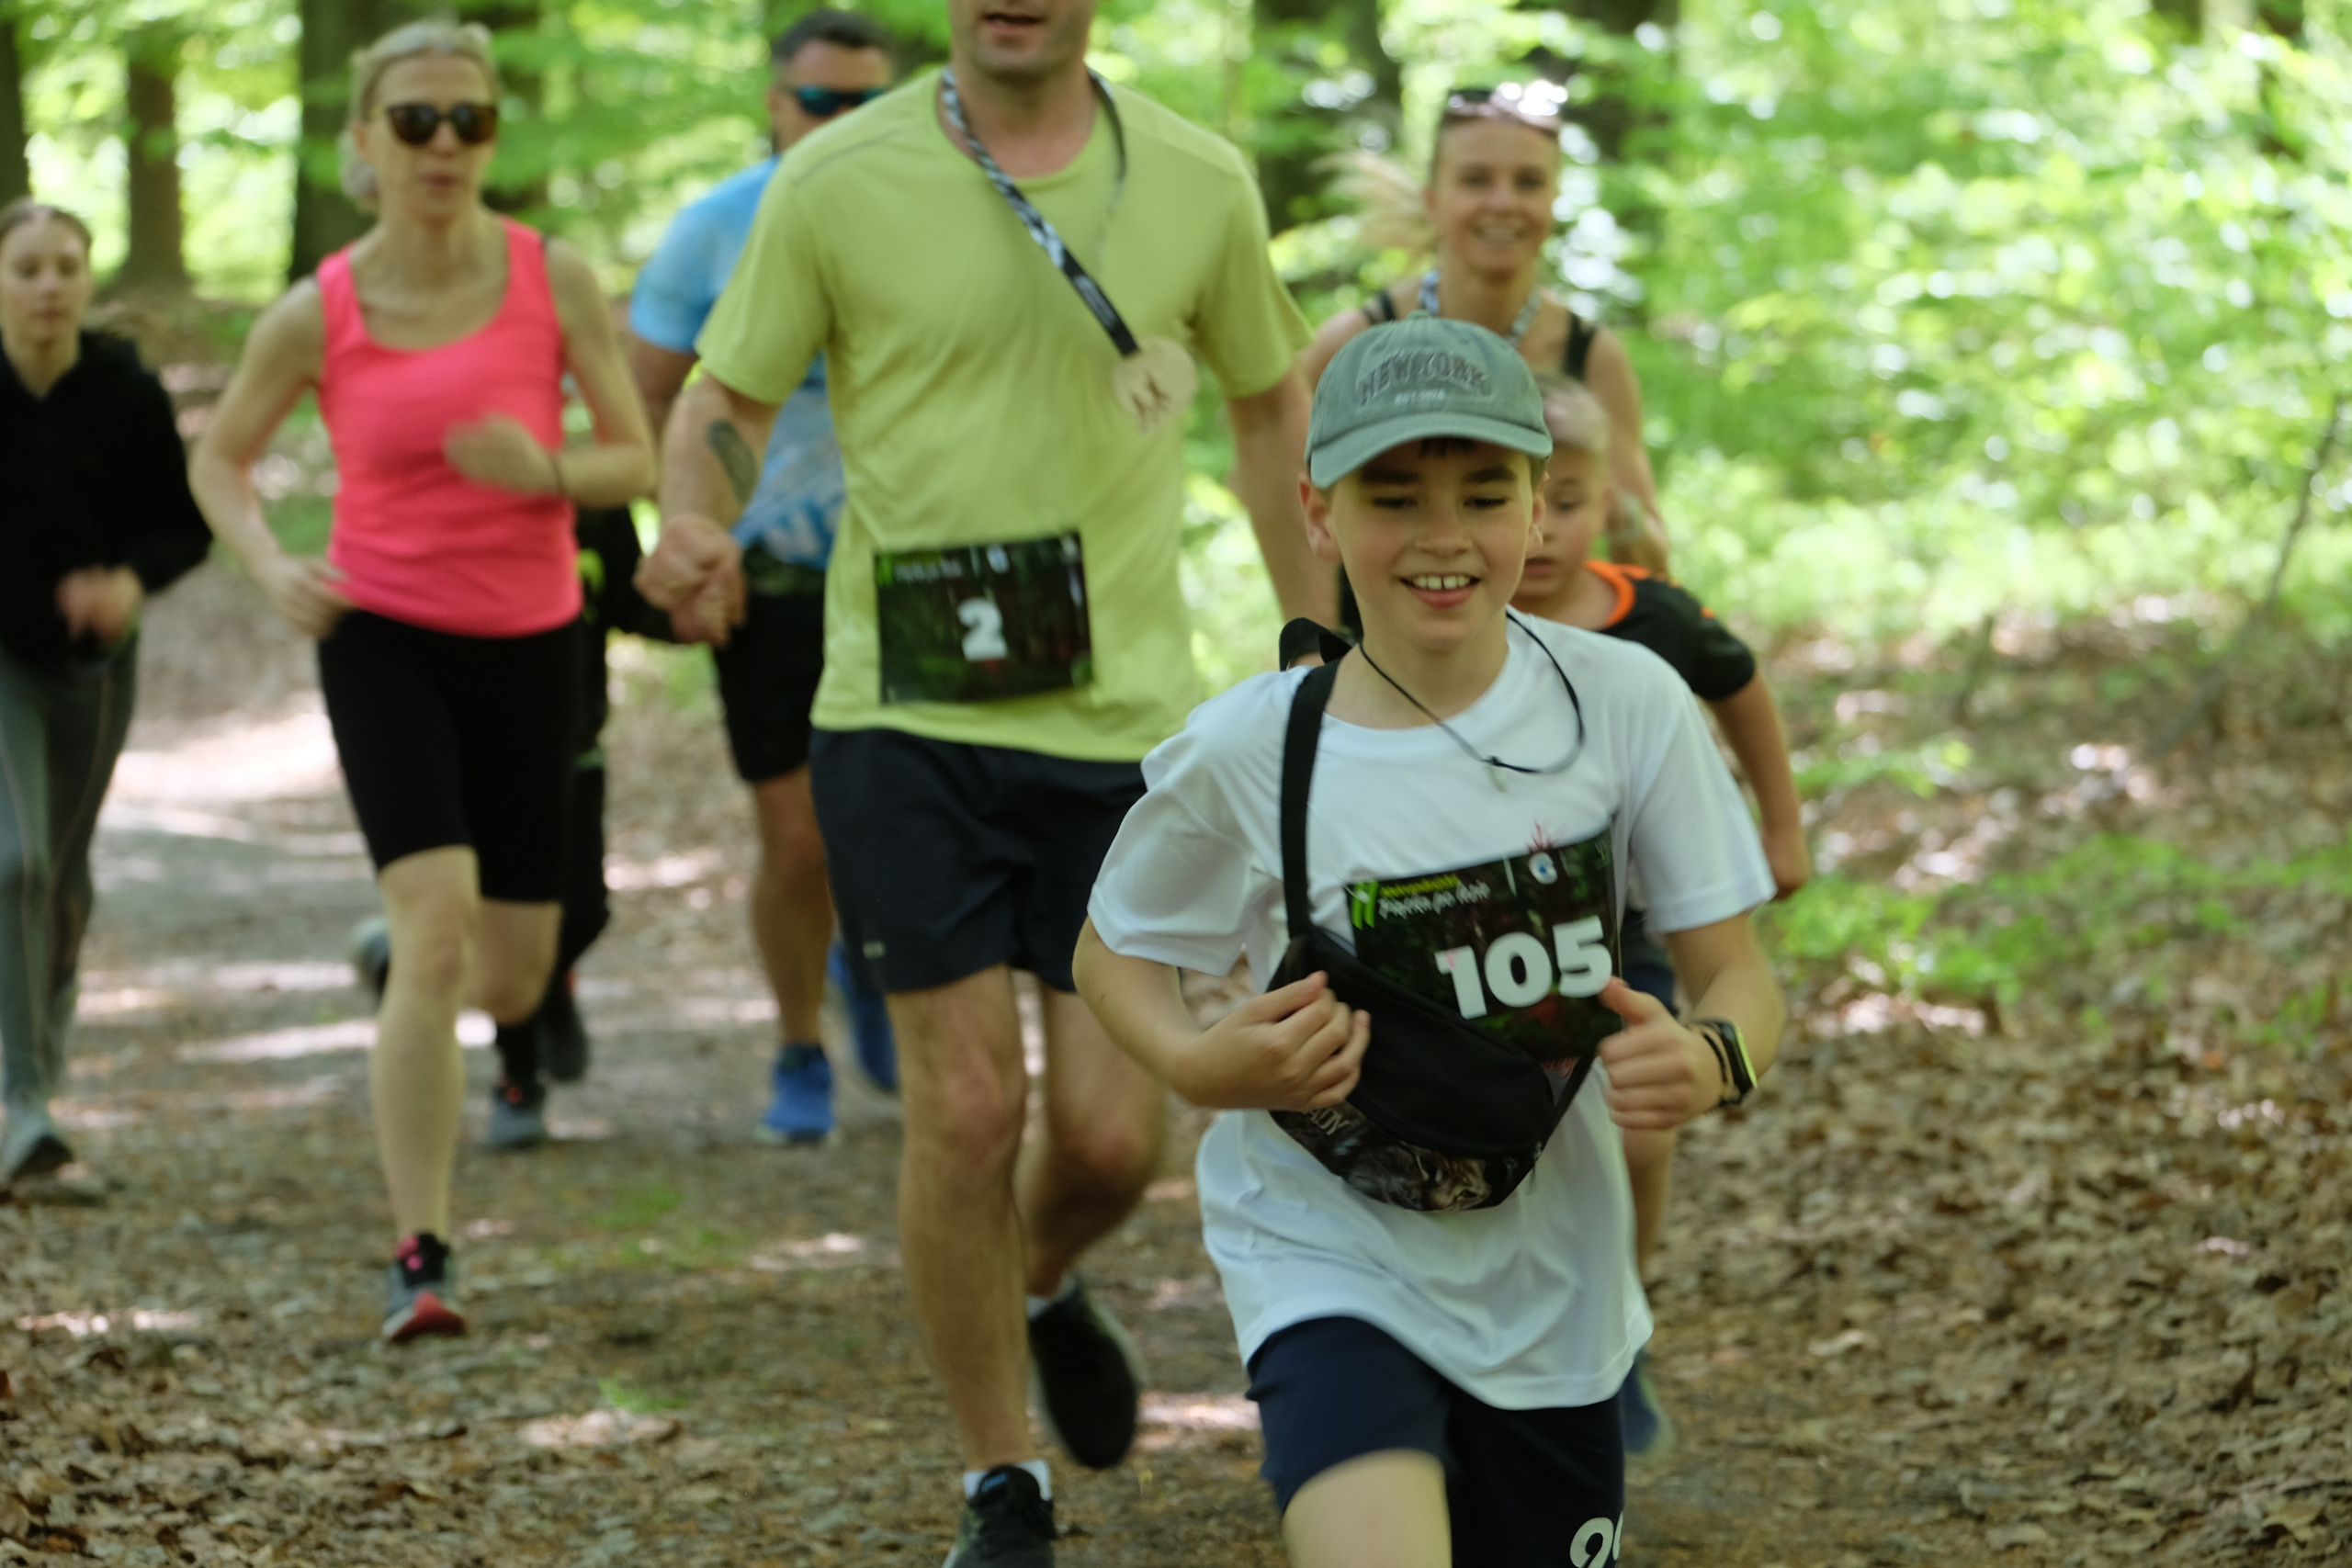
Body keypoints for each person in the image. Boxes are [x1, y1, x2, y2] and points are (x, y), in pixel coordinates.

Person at [635, 0, 1325, 1555]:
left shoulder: (1200, 179)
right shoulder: (837, 179)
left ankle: (1034, 1279)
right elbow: (724, 405)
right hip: (907, 716)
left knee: (1105, 1141)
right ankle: (998, 1481)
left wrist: (1316, 645)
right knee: (963, 1103)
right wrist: (693, 518)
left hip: (1124, 732)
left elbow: (1269, 397)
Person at [1072, 317, 1787, 1567]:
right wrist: (1198, 1066)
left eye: (1486, 492)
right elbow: (1110, 951)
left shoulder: (1626, 705)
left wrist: (1715, 1054)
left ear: (1541, 502)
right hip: (1324, 1248)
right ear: (1319, 510)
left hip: (1552, 1282)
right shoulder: (1254, 748)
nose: (1443, 535)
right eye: (1394, 496)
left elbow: (1738, 971)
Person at [188, 19, 654, 1342]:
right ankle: (422, 1251)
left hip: (534, 643)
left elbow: (634, 456)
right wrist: (273, 564)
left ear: (492, 139)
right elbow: (219, 459)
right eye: (414, 121)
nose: (444, 144)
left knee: (512, 975)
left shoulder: (550, 277)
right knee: (443, 923)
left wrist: (549, 470)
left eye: (469, 121)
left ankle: (406, 954)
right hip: (382, 637)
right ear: (361, 145)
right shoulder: (321, 307)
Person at [1513, 372, 1809, 1457]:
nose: (1544, 531)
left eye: (1573, 500)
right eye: (1524, 499)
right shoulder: (1443, 613)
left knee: (1631, 1134)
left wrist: (1779, 828)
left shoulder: (1654, 617)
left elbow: (1741, 685)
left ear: (1610, 507)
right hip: (1482, 923)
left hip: (1625, 921)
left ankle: (1620, 1323)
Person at [623, 7, 900, 1145]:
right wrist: (686, 532)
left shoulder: (928, 222)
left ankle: (874, 966)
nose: (841, 124)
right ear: (775, 107)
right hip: (772, 578)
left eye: (864, 105)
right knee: (795, 837)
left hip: (908, 578)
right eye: (819, 103)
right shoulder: (713, 231)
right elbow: (646, 394)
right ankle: (799, 1043)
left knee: (893, 825)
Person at [0, 200, 212, 1192]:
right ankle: (24, 1108)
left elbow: (183, 526)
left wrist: (130, 581)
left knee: (63, 878)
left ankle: (38, 1065)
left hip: (93, 669)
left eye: (65, 267)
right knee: (15, 863)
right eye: (27, 267)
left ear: (87, 280)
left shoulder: (124, 388)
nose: (48, 286)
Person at [1301, 82, 1671, 627]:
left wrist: (1610, 513)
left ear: (1554, 199)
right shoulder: (1351, 347)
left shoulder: (1592, 357)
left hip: (1548, 665)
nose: (1503, 202)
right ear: (1434, 199)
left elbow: (1646, 556)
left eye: (1528, 182)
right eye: (1476, 180)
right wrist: (1312, 652)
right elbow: (1290, 509)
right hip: (1378, 670)